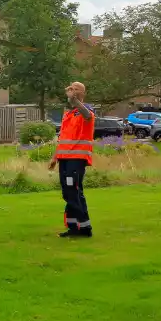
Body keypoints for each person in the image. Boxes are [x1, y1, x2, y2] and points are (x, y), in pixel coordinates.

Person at [49, 81, 95, 238]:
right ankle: (73, 227)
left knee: (72, 190)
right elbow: (63, 139)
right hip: (65, 158)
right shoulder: (68, 115)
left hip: (77, 158)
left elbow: (87, 116)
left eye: (76, 90)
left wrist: (75, 100)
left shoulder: (86, 111)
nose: (71, 92)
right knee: (68, 193)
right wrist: (55, 157)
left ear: (82, 94)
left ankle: (84, 227)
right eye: (70, 89)